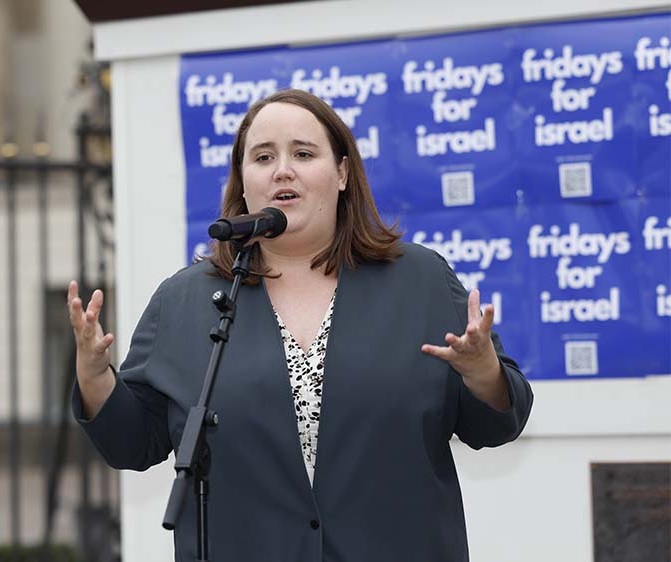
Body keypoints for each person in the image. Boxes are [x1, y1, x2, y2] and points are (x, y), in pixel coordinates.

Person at [68, 89, 533, 561]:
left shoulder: (421, 280)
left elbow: (496, 425)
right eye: (263, 156)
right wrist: (93, 375)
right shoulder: (185, 300)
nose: (282, 170)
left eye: (303, 154)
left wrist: (481, 371)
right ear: (243, 182)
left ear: (343, 174)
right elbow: (133, 443)